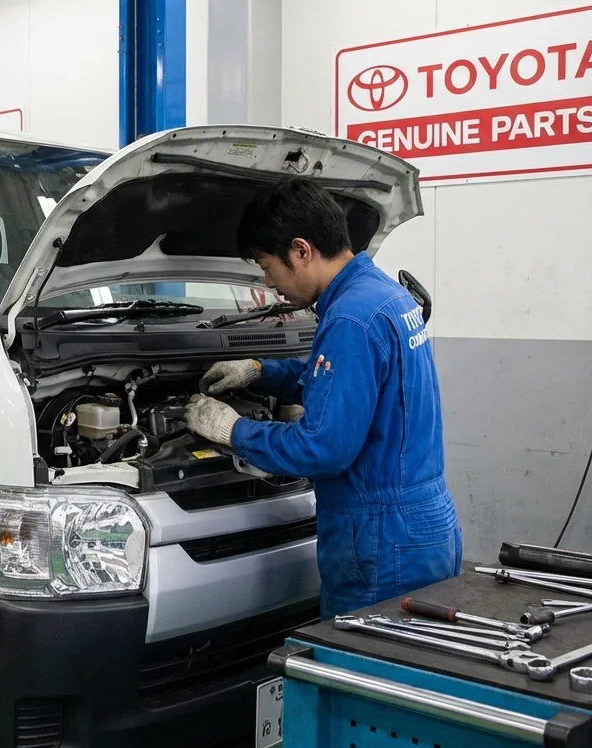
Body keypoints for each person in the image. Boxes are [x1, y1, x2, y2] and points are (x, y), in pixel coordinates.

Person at [185, 177, 462, 619]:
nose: (267, 280)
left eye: (265, 264)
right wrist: (260, 372)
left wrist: (232, 429)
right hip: (422, 524)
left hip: (379, 537)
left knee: (364, 675)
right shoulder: (383, 296)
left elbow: (322, 448)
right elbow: (348, 387)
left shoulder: (350, 319)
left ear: (300, 251)